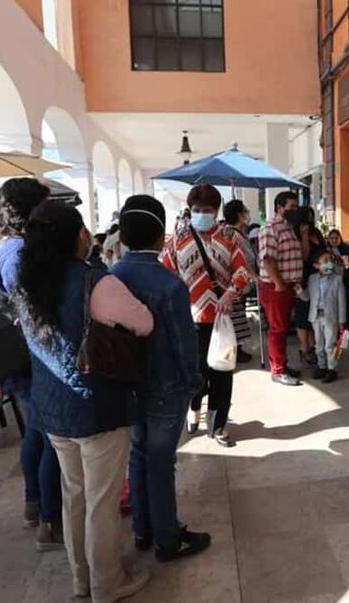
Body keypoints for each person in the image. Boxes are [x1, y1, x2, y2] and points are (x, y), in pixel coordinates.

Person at [15, 200, 155, 601]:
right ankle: (107, 583)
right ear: (79, 235)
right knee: (101, 503)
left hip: (52, 407)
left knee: (73, 496)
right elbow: (143, 323)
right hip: (96, 407)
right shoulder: (97, 283)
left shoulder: (27, 287)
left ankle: (82, 580)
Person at [109, 195, 212, 563]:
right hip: (167, 384)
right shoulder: (170, 285)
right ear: (160, 236)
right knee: (160, 461)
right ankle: (168, 539)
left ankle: (143, 529)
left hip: (129, 382)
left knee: (138, 455)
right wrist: (195, 380)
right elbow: (184, 344)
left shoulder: (111, 277)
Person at [0, 178, 63, 549]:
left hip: (12, 357)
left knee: (34, 433)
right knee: (50, 439)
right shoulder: (17, 252)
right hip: (31, 359)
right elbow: (32, 311)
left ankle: (33, 503)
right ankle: (51, 520)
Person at [161, 184, 252, 447]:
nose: (202, 214)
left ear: (217, 211)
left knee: (222, 371)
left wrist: (230, 293)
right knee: (194, 372)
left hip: (222, 318)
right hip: (189, 319)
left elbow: (243, 272)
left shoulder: (228, 237)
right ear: (190, 210)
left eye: (208, 210)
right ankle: (194, 410)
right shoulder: (177, 240)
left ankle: (218, 425)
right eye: (197, 209)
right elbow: (165, 276)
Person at [257, 191, 305, 386]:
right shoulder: (270, 228)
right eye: (291, 207)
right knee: (277, 329)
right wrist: (279, 284)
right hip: (275, 287)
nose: (295, 210)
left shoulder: (289, 228)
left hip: (289, 286)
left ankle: (281, 364)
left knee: (283, 328)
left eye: (296, 206)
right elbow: (268, 259)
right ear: (279, 208)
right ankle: (278, 371)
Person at [220, 199, 255, 363]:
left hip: (241, 281)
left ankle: (235, 349)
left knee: (237, 316)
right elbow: (242, 260)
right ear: (239, 215)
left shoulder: (239, 232)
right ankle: (233, 351)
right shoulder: (232, 234)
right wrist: (253, 275)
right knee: (234, 317)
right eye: (245, 211)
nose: (248, 213)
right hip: (236, 281)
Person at [307, 247, 345, 383]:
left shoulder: (337, 280)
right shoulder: (312, 279)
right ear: (316, 265)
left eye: (330, 260)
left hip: (331, 317)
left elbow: (341, 302)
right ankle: (321, 366)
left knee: (331, 344)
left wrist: (342, 321)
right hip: (316, 316)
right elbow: (308, 297)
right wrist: (299, 292)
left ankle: (332, 368)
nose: (329, 263)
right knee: (319, 344)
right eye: (325, 261)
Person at [294, 207, 325, 368]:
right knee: (303, 313)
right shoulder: (297, 233)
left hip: (319, 276)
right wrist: (304, 234)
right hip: (303, 277)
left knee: (315, 312)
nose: (310, 220)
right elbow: (304, 256)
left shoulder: (317, 233)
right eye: (307, 217)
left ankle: (314, 346)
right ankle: (304, 348)